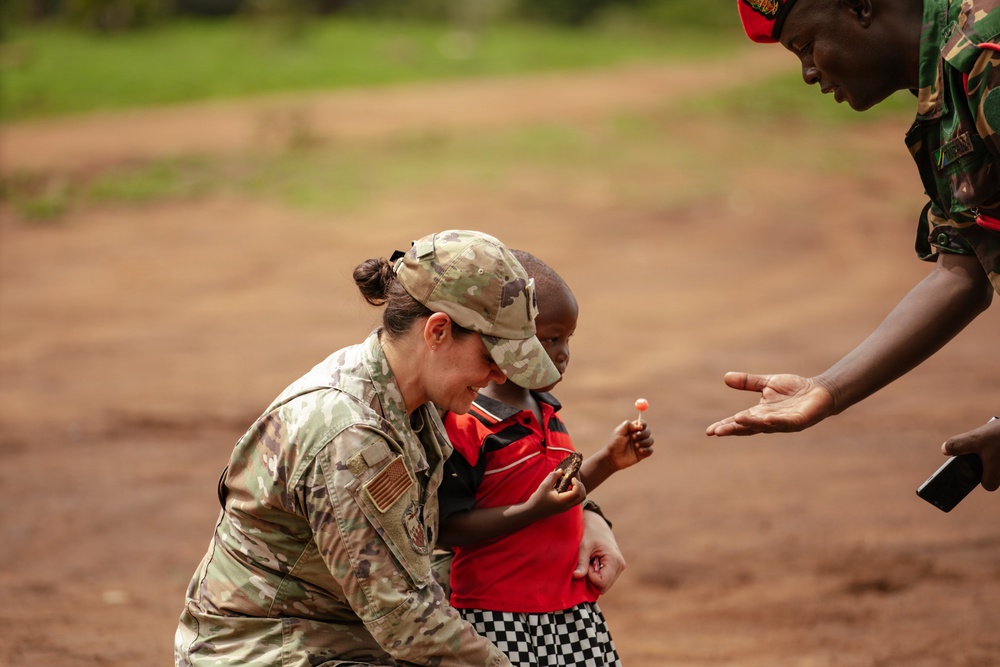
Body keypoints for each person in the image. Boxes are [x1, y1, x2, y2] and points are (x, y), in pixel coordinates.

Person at [174, 229, 627, 667]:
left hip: (350, 635)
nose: (500, 378)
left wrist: (589, 516)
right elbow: (403, 617)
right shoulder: (351, 437)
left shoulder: (410, 390)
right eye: (491, 358)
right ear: (437, 332)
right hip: (274, 647)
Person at [706, 0, 1000, 492]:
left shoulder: (986, 56)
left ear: (861, 7)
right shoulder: (947, 88)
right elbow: (961, 270)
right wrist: (828, 389)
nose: (807, 72)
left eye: (806, 46)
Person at [436, 250, 655, 667]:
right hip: (495, 611)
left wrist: (608, 461)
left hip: (571, 609)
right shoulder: (469, 423)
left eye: (567, 338)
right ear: (503, 337)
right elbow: (447, 529)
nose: (563, 352)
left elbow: (558, 494)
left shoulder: (547, 412)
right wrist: (530, 510)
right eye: (550, 339)